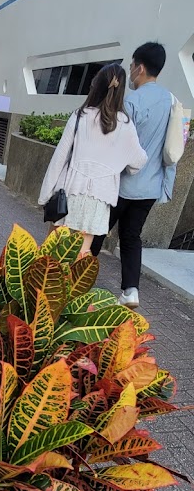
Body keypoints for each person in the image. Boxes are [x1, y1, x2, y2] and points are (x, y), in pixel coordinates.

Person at [91, 43, 177, 307]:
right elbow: (174, 145)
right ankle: (131, 291)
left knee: (97, 231)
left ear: (140, 68)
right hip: (151, 188)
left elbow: (118, 143)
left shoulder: (131, 101)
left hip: (122, 184)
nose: (130, 71)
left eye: (131, 66)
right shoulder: (172, 101)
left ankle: (76, 281)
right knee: (131, 237)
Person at [38, 64, 147, 257]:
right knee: (82, 254)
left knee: (51, 252)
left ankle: (45, 286)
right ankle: (73, 287)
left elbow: (59, 158)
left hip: (69, 193)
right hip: (99, 201)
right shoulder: (126, 125)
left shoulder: (80, 116)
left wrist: (45, 196)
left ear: (96, 86)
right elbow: (138, 161)